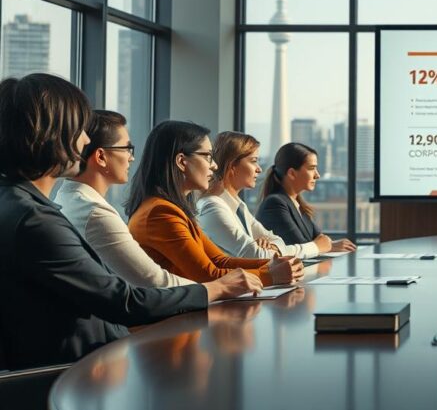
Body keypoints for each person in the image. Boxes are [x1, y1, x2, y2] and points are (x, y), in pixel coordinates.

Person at [0, 74, 260, 370]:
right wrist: (216, 288)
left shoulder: (19, 202)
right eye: (79, 130)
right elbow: (123, 301)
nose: (85, 140)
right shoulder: (36, 221)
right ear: (51, 135)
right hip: (77, 374)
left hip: (90, 363)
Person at [127, 121, 304, 286]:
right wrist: (270, 275)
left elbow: (220, 260)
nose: (214, 166)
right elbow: (208, 275)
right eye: (208, 157)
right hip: (175, 318)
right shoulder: (160, 213)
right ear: (181, 161)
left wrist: (275, 263)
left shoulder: (171, 209)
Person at [55, 110, 194, 288]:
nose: (132, 157)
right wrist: (217, 289)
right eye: (127, 149)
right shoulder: (96, 213)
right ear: (101, 157)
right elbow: (155, 281)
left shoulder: (67, 196)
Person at [197, 132, 345, 259]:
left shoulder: (239, 207)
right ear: (232, 166)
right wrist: (316, 247)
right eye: (253, 161)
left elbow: (278, 241)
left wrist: (271, 247)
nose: (259, 169)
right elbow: (255, 255)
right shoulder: (213, 207)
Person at [256, 142, 356, 251]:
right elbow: (304, 247)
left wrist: (330, 245)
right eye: (312, 168)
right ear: (292, 173)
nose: (317, 175)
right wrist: (329, 246)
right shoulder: (275, 203)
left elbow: (321, 239)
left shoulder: (297, 204)